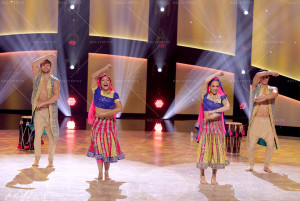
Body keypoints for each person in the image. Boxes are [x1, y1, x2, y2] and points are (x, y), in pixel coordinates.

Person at [87, 64, 125, 181]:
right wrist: (105, 68)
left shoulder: (114, 94)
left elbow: (119, 108)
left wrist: (105, 113)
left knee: (107, 149)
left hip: (109, 125)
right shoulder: (96, 91)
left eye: (107, 80)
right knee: (99, 148)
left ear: (110, 82)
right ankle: (100, 173)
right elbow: (93, 76)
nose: (105, 81)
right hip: (98, 124)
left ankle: (107, 173)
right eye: (103, 80)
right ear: (100, 82)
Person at [195, 71, 230, 185]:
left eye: (217, 86)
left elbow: (227, 107)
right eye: (213, 86)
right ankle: (202, 177)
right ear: (209, 87)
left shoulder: (222, 97)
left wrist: (215, 111)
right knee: (204, 151)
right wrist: (217, 74)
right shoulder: (205, 95)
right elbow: (205, 81)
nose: (215, 88)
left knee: (216, 151)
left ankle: (214, 177)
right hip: (207, 128)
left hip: (217, 128)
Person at [246, 71, 279, 173]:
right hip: (256, 120)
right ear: (260, 78)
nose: (265, 79)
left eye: (267, 77)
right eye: (263, 77)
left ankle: (266, 166)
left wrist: (262, 98)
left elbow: (274, 94)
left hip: (267, 122)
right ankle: (251, 165)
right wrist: (271, 72)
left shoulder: (272, 88)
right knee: (251, 145)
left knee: (270, 144)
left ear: (269, 79)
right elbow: (256, 75)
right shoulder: (255, 88)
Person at [31, 53, 60, 167]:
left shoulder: (55, 80)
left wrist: (42, 103)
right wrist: (47, 55)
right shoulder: (37, 75)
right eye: (44, 65)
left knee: (52, 137)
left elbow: (56, 96)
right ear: (41, 67)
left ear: (51, 67)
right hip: (39, 113)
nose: (46, 66)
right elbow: (34, 64)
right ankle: (37, 159)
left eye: (48, 65)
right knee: (37, 136)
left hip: (50, 112)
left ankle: (50, 160)